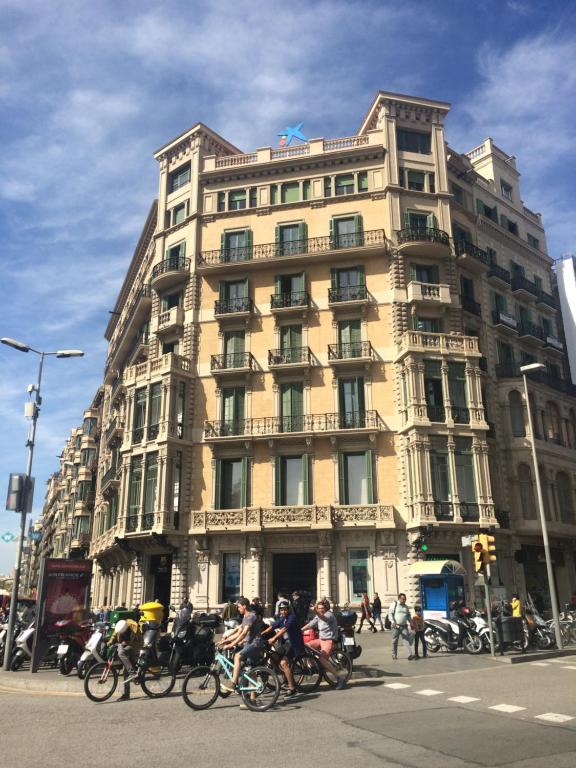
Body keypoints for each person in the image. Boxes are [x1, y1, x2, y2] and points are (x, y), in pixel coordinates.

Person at [218, 597, 266, 693]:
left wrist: (232, 644)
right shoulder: (245, 616)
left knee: (237, 656)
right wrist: (225, 640)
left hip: (255, 643)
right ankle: (252, 699)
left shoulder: (251, 616)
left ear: (244, 606)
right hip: (250, 644)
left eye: (239, 607)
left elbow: (244, 633)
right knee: (251, 671)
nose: (238, 609)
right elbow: (239, 632)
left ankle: (233, 683)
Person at [263, 600, 305, 698]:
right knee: (273, 659)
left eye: (285, 609)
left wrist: (274, 638)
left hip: (294, 645)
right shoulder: (282, 618)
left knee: (283, 663)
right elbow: (272, 626)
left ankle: (292, 688)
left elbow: (284, 629)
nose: (283, 611)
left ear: (288, 610)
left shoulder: (292, 617)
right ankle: (285, 680)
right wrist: (261, 634)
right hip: (286, 644)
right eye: (281, 610)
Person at [301, 601, 347, 689]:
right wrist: (300, 630)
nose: (320, 610)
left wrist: (315, 611)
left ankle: (339, 678)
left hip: (329, 640)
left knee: (322, 659)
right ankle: (313, 667)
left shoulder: (329, 615)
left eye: (322, 608)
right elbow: (310, 624)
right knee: (306, 646)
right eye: (319, 608)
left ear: (325, 608)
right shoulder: (318, 616)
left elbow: (323, 618)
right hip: (321, 640)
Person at [107, 618, 143, 700]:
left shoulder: (134, 628)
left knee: (121, 653)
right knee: (125, 671)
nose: (121, 634)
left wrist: (128, 643)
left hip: (134, 647)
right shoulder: (120, 626)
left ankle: (133, 673)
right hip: (124, 647)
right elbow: (114, 635)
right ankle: (126, 695)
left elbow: (141, 642)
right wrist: (110, 642)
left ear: (126, 629)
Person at [387, 593, 414, 660]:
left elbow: (408, 615)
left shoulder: (406, 606)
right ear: (399, 598)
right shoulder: (394, 604)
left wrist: (411, 622)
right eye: (403, 599)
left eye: (405, 599)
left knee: (406, 640)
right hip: (396, 626)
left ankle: (409, 654)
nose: (404, 600)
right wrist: (393, 622)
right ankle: (394, 655)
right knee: (394, 640)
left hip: (404, 626)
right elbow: (390, 613)